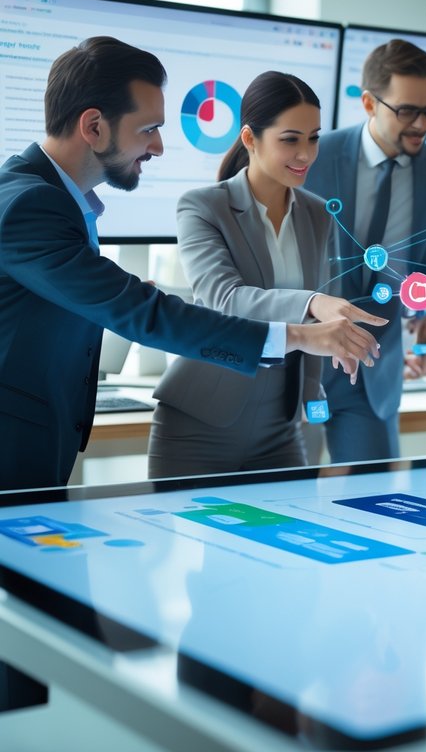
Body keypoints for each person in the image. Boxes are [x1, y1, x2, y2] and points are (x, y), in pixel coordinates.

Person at [0, 36, 378, 711]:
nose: (158, 146)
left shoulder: (54, 202)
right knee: (30, 650)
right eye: (148, 129)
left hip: (43, 448)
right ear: (94, 126)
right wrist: (298, 330)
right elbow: (142, 311)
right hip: (17, 454)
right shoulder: (31, 204)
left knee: (38, 644)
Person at [147, 72, 386, 477]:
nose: (307, 154)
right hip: (201, 420)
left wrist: (332, 354)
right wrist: (311, 303)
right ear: (250, 139)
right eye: (290, 139)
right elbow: (225, 300)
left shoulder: (316, 212)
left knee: (289, 536)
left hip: (281, 425)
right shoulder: (203, 207)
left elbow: (317, 320)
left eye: (313, 138)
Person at [305, 39, 426, 463]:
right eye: (407, 111)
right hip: (304, 357)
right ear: (370, 103)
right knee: (283, 498)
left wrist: (425, 321)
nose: (422, 124)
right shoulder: (316, 154)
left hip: (374, 365)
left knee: (374, 500)